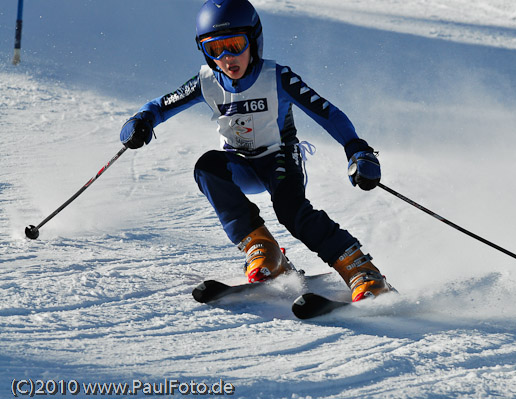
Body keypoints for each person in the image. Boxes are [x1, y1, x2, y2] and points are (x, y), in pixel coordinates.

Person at [119, 0, 392, 302]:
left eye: (235, 45)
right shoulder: (206, 82)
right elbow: (160, 106)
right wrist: (140, 121)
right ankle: (263, 248)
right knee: (207, 167)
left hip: (279, 159)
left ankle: (360, 269)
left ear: (255, 40)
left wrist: (357, 149)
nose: (226, 58)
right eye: (215, 49)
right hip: (240, 165)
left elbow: (326, 112)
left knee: (291, 211)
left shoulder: (276, 77)